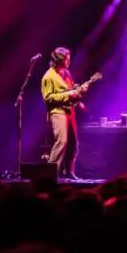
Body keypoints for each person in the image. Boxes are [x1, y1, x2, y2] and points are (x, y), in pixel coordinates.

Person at [40, 47, 93, 180]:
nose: (69, 61)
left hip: (70, 111)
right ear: (59, 60)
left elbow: (71, 89)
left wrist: (78, 90)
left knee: (73, 143)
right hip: (58, 112)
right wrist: (68, 94)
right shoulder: (48, 77)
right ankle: (50, 173)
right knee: (61, 142)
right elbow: (48, 98)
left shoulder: (66, 73)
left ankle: (69, 172)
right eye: (67, 59)